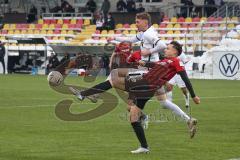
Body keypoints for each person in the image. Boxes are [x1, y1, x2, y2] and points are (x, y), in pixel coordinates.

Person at [69, 41, 200, 153]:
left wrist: (193, 96)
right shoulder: (165, 61)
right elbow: (155, 66)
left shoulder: (177, 61)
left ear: (175, 52)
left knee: (113, 81)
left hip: (146, 84)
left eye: (169, 48)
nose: (166, 49)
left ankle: (84, 94)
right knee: (133, 116)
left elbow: (185, 78)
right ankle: (144, 147)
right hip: (146, 86)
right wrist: (145, 64)